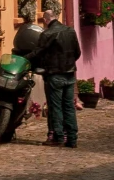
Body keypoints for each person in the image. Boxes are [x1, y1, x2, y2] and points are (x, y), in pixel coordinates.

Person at [30, 8, 82, 147]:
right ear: (56, 17)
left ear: (45, 20)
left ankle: (58, 137)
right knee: (69, 107)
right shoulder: (70, 31)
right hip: (70, 74)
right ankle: (72, 138)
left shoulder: (47, 34)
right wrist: (68, 63)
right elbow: (77, 52)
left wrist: (25, 59)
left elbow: (38, 53)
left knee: (56, 107)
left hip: (54, 75)